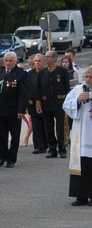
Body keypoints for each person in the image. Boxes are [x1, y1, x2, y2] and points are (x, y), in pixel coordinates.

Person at [0, 52, 29, 167]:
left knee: (14, 135)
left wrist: (21, 110)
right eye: (6, 61)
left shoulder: (21, 73)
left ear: (15, 62)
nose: (8, 63)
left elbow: (24, 93)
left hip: (13, 110)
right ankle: (2, 155)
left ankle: (11, 159)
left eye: (10, 61)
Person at [63, 67, 92, 206]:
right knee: (81, 163)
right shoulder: (79, 89)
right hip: (81, 135)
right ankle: (81, 196)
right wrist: (78, 101)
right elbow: (66, 105)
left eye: (91, 77)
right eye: (87, 77)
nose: (88, 80)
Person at [39, 51, 71, 158]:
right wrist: (38, 102)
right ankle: (52, 149)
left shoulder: (62, 71)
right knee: (48, 127)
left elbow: (66, 87)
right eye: (45, 57)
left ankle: (62, 148)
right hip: (47, 103)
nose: (46, 59)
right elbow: (39, 89)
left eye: (48, 57)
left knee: (60, 127)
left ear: (54, 59)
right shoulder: (42, 72)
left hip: (59, 103)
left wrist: (67, 101)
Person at [27, 54, 48, 156]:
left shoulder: (47, 73)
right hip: (33, 104)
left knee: (46, 125)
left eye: (39, 61)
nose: (37, 63)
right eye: (35, 61)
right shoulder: (30, 74)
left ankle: (46, 144)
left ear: (44, 62)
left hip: (46, 104)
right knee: (36, 126)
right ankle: (38, 146)